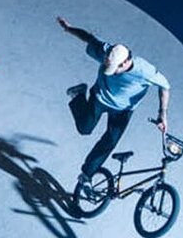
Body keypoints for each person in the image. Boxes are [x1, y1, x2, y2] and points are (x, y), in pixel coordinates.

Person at [56, 16, 170, 198]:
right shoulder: (107, 52)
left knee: (110, 141)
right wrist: (68, 28)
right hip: (100, 97)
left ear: (125, 63)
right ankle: (78, 95)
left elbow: (165, 86)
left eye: (115, 69)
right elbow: (88, 38)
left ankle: (87, 175)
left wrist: (162, 113)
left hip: (124, 110)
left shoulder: (145, 71)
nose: (112, 72)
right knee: (84, 129)